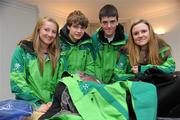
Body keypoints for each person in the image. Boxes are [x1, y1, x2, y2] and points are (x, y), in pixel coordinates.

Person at [114, 19, 179, 117]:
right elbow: (117, 74)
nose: (140, 35)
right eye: (136, 33)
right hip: (135, 88)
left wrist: (143, 69)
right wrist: (137, 77)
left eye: (144, 31)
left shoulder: (161, 46)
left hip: (157, 87)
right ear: (132, 37)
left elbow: (170, 67)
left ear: (150, 32)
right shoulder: (125, 51)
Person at [10, 16, 62, 114]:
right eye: (46, 30)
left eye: (53, 32)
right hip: (28, 107)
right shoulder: (22, 50)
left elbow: (61, 80)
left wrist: (53, 101)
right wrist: (37, 103)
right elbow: (17, 81)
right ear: (38, 30)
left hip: (51, 107)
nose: (50, 34)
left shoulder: (59, 55)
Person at [91, 4, 128, 84]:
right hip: (98, 82)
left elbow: (124, 64)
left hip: (118, 83)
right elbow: (94, 62)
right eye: (105, 22)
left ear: (117, 22)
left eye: (112, 21)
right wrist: (98, 81)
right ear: (100, 23)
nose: (109, 26)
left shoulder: (126, 40)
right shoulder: (94, 39)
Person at [59, 10, 95, 76]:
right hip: (62, 83)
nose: (79, 31)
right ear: (68, 26)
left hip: (81, 83)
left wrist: (85, 77)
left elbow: (91, 66)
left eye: (82, 28)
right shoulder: (58, 43)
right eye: (75, 27)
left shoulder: (88, 45)